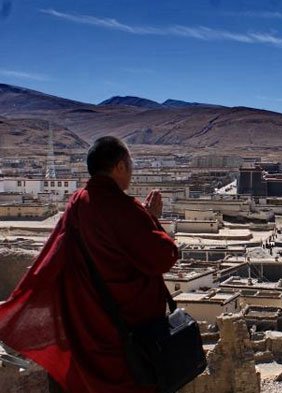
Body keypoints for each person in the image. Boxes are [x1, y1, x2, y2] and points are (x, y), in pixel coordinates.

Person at [0, 136, 179, 393]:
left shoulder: (77, 203)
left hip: (88, 331)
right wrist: (152, 219)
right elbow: (164, 256)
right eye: (130, 164)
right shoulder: (123, 208)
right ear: (119, 167)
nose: (131, 170)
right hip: (127, 337)